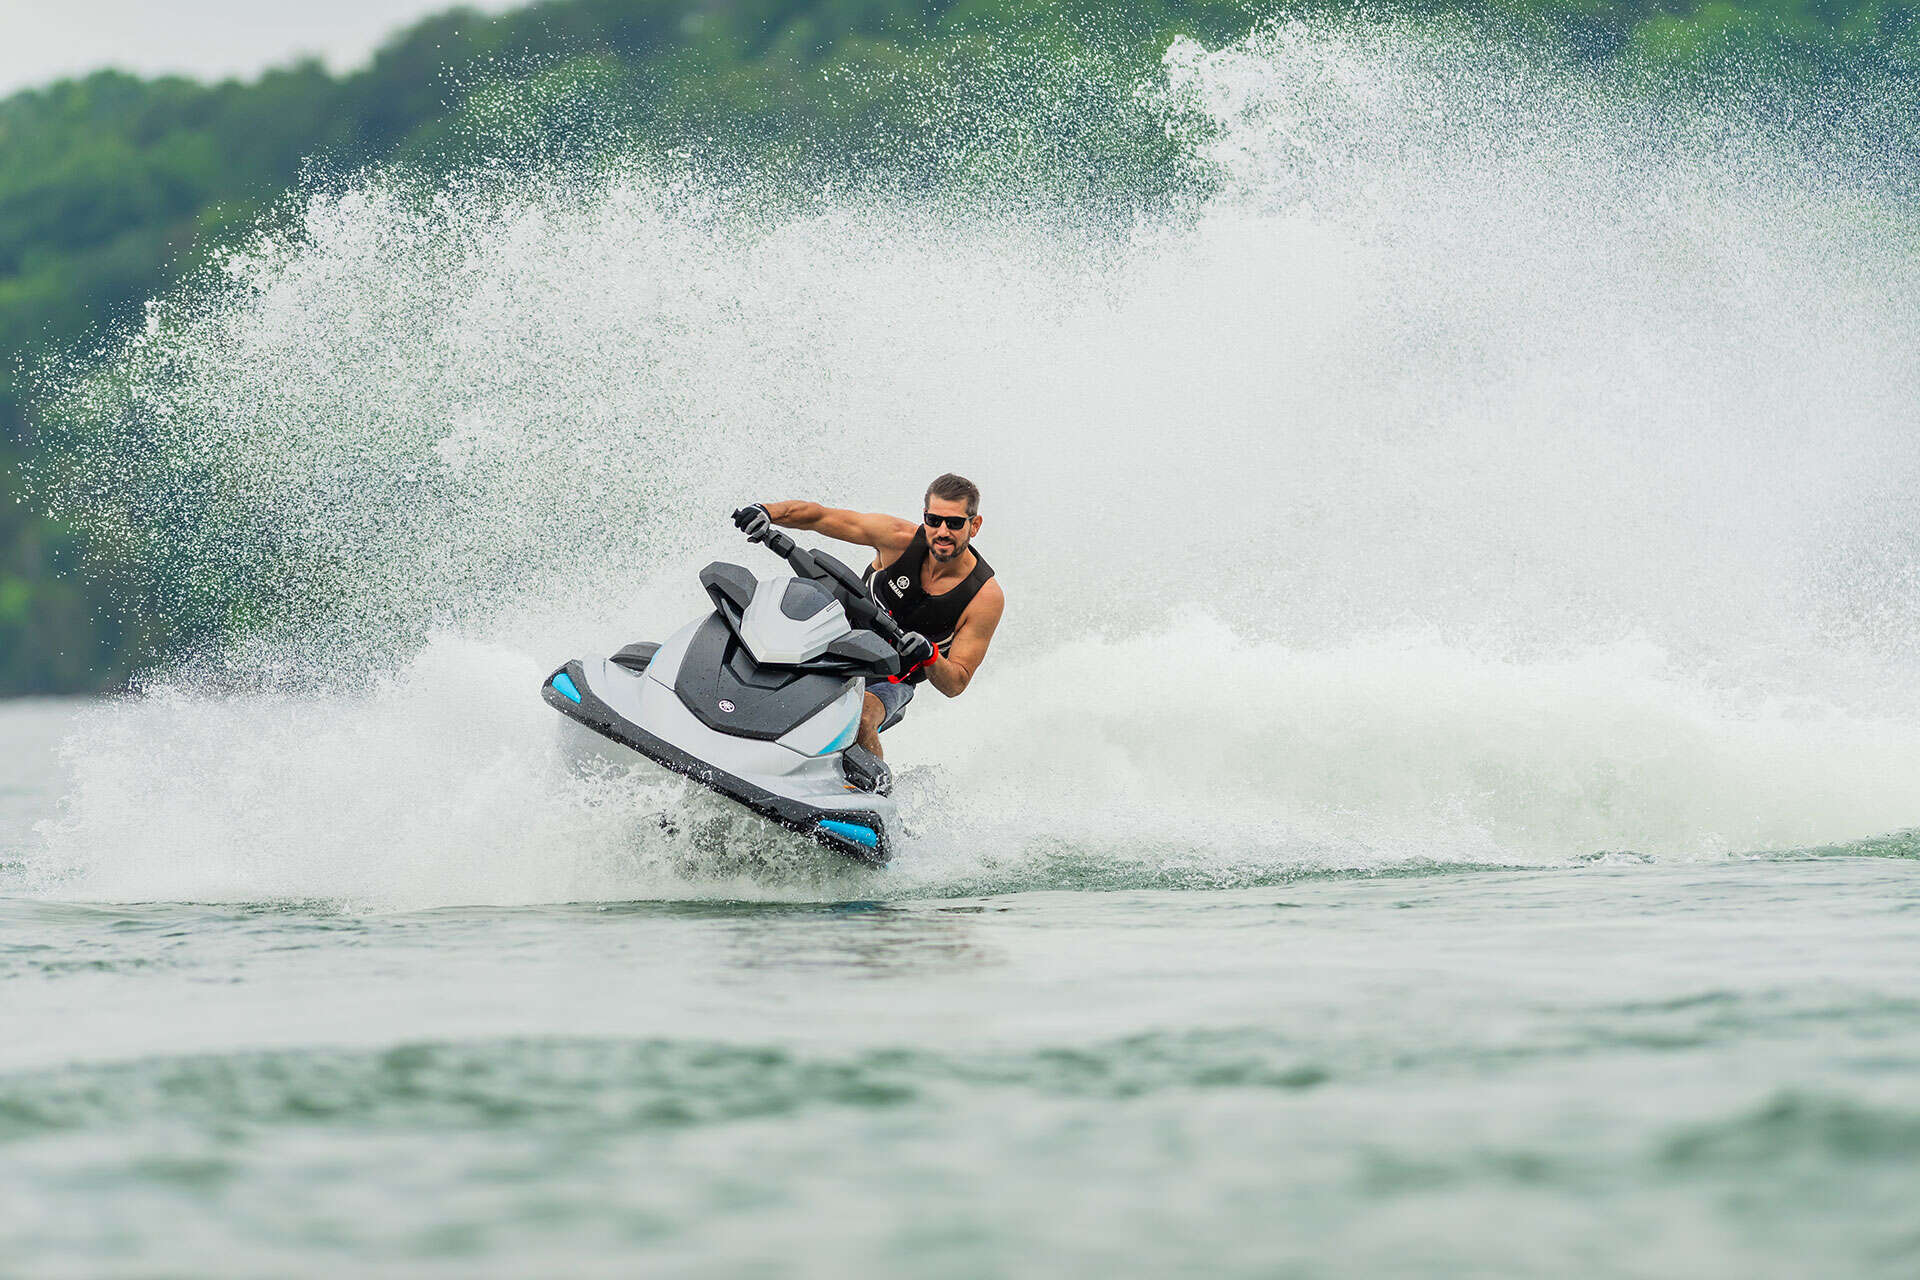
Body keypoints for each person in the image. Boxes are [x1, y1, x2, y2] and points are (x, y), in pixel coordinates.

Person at [731, 474, 1003, 759]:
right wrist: (766, 512)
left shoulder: (983, 597)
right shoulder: (897, 539)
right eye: (934, 521)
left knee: (857, 721)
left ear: (975, 525)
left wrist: (930, 654)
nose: (942, 531)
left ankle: (875, 784)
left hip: (890, 679)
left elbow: (955, 683)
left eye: (955, 523)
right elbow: (819, 516)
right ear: (925, 517)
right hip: (831, 640)